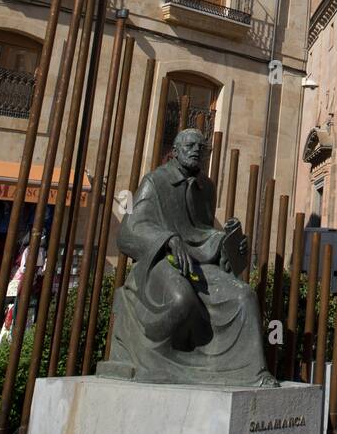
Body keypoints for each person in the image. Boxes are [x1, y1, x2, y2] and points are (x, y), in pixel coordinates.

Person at [106, 127, 275, 387]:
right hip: (160, 261)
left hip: (198, 264)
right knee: (180, 299)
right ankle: (158, 359)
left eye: (201, 147)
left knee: (244, 296)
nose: (196, 150)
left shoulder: (206, 188)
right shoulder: (155, 181)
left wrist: (224, 242)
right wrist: (167, 239)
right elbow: (129, 231)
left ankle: (251, 372)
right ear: (174, 152)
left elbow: (202, 232)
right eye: (189, 145)